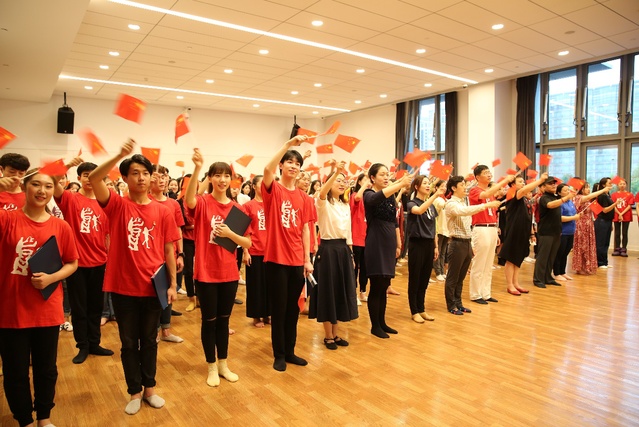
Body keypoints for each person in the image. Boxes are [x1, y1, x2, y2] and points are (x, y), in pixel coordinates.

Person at [89, 139, 180, 415]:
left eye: (145, 173)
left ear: (151, 177)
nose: (141, 178)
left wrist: (173, 284)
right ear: (126, 178)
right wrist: (119, 154)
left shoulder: (163, 210)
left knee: (150, 340)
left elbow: (168, 249)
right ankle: (134, 391)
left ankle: (150, 388)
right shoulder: (117, 205)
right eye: (135, 173)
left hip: (153, 287)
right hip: (123, 288)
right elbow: (94, 178)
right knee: (129, 343)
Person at [0, 170, 79, 427]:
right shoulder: (7, 219)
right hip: (11, 309)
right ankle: (24, 420)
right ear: (24, 187)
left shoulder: (61, 226)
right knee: (15, 371)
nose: (42, 190)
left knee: (46, 369)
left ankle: (44, 418)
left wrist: (52, 278)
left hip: (47, 308)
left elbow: (72, 262)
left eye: (48, 186)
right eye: (36, 184)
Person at [185, 152, 251, 387]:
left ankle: (223, 364)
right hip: (205, 274)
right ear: (210, 178)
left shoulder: (237, 209)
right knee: (209, 321)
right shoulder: (203, 203)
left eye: (226, 176)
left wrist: (230, 234)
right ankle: (211, 366)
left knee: (224, 321)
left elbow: (248, 242)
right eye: (217, 175)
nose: (222, 180)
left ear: (231, 179)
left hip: (229, 274)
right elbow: (189, 199)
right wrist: (197, 168)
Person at [53, 161, 114, 364]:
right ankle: (83, 346)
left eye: (94, 174)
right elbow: (53, 180)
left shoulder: (105, 202)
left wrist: (110, 258)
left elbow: (107, 235)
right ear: (79, 178)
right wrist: (66, 165)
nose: (89, 178)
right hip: (76, 264)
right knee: (79, 308)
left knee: (96, 306)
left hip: (100, 262)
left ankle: (95, 343)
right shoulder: (70, 199)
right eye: (86, 174)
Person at [261, 135, 313, 371]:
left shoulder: (304, 198)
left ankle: (290, 351)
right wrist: (288, 145)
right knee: (279, 308)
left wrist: (307, 259)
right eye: (289, 162)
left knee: (293, 308)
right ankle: (279, 354)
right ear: (281, 165)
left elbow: (305, 229)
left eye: (297, 163)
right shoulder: (274, 189)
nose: (294, 166)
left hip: (296, 260)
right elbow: (266, 169)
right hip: (276, 259)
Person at [309, 161, 358, 349]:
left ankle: (336, 334)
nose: (342, 183)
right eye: (338, 180)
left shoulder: (345, 205)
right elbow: (322, 193)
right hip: (328, 250)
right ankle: (328, 336)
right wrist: (335, 172)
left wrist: (351, 255)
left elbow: (349, 233)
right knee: (328, 292)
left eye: (343, 181)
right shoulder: (322, 202)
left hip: (343, 250)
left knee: (339, 291)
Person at [363, 163, 412, 338]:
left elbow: (394, 222)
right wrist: (399, 184)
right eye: (382, 174)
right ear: (372, 178)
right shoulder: (368, 194)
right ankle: (375, 326)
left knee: (384, 285)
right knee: (376, 285)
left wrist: (398, 244)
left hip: (389, 242)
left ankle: (382, 322)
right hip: (376, 242)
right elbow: (376, 199)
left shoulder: (390, 196)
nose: (386, 177)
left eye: (387, 174)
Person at [444, 176, 501, 315]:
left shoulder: (463, 202)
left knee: (461, 277)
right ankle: (451, 305)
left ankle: (459, 303)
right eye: (462, 185)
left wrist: (470, 243)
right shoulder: (451, 203)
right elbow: (463, 212)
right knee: (453, 277)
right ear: (453, 188)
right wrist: (485, 206)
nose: (465, 188)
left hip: (466, 242)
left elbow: (467, 222)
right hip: (456, 243)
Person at [468, 165, 514, 305]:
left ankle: (486, 293)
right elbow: (486, 195)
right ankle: (475, 294)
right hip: (481, 228)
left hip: (491, 228)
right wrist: (504, 181)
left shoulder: (490, 192)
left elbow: (492, 212)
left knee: (488, 264)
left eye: (489, 172)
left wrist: (496, 231)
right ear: (477, 177)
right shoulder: (475, 190)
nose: (489, 174)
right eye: (485, 173)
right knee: (479, 263)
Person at [149, 165, 185, 344]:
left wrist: (181, 254)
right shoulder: (145, 200)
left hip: (171, 254)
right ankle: (154, 332)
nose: (162, 180)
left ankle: (166, 331)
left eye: (165, 176)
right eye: (158, 176)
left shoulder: (173, 203)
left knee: (169, 292)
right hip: (151, 255)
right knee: (153, 296)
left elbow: (178, 231)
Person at [500, 173, 546, 295]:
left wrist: (531, 233)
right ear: (513, 184)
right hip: (514, 232)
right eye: (520, 182)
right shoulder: (513, 194)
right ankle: (510, 285)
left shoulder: (525, 199)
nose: (523, 184)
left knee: (518, 259)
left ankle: (516, 283)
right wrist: (540, 180)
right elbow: (524, 190)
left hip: (523, 232)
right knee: (511, 259)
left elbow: (528, 217)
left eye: (523, 182)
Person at [406, 175, 444, 323]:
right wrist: (435, 195)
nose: (428, 185)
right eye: (425, 183)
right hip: (417, 243)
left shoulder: (431, 206)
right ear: (416, 187)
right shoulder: (411, 203)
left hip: (429, 244)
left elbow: (433, 227)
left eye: (429, 183)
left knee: (424, 278)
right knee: (415, 278)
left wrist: (435, 246)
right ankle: (414, 311)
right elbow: (419, 210)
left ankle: (421, 309)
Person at [533, 176, 575, 288]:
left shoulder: (555, 196)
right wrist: (565, 198)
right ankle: (538, 279)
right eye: (550, 183)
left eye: (554, 183)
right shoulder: (544, 198)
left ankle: (548, 277)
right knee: (543, 257)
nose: (553, 185)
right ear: (544, 186)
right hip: (546, 231)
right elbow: (550, 205)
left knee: (551, 256)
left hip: (556, 231)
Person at [243, 175, 270, 328]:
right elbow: (244, 230)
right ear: (254, 186)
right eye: (261, 184)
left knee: (269, 285)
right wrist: (246, 252)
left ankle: (267, 314)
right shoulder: (248, 206)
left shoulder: (271, 203)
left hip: (270, 251)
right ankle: (256, 316)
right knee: (255, 286)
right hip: (254, 250)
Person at [572, 181, 609, 275]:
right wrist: (602, 190)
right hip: (581, 225)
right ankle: (580, 267)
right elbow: (588, 197)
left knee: (588, 245)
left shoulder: (588, 200)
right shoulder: (578, 197)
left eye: (589, 187)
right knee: (582, 245)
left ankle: (586, 266)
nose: (588, 189)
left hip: (589, 224)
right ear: (581, 189)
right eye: (586, 187)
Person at [552, 183, 581, 281]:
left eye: (568, 190)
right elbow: (559, 218)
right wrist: (573, 217)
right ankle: (556, 273)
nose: (568, 192)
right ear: (559, 193)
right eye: (565, 190)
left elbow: (573, 214)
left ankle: (562, 272)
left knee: (565, 253)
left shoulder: (570, 202)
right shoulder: (559, 203)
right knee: (559, 253)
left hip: (571, 231)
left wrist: (577, 216)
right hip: (562, 232)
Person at [350, 173, 369, 302]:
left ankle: (363, 291)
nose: (368, 181)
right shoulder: (355, 195)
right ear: (359, 182)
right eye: (365, 179)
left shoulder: (369, 197)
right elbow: (357, 197)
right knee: (355, 268)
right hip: (356, 237)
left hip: (367, 238)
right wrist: (366, 184)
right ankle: (354, 293)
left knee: (365, 268)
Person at [594, 177, 615, 269]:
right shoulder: (602, 196)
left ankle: (605, 262)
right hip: (602, 221)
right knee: (600, 242)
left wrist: (611, 223)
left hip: (608, 221)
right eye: (609, 183)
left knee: (606, 242)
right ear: (603, 185)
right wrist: (615, 204)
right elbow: (605, 210)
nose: (611, 184)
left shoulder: (608, 195)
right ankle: (600, 262)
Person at [611, 178, 633, 257]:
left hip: (626, 215)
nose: (622, 185)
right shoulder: (614, 195)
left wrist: (622, 213)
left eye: (624, 184)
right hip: (616, 214)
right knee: (617, 233)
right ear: (617, 185)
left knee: (624, 233)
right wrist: (619, 213)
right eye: (620, 184)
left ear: (626, 185)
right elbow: (613, 205)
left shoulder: (630, 194)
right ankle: (617, 249)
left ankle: (624, 249)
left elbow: (629, 205)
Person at [432, 180, 449, 281]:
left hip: (446, 229)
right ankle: (438, 272)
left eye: (445, 186)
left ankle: (442, 271)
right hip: (439, 229)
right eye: (442, 186)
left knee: (443, 252)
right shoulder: (437, 199)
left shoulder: (444, 199)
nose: (444, 188)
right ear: (436, 188)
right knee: (437, 251)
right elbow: (441, 206)